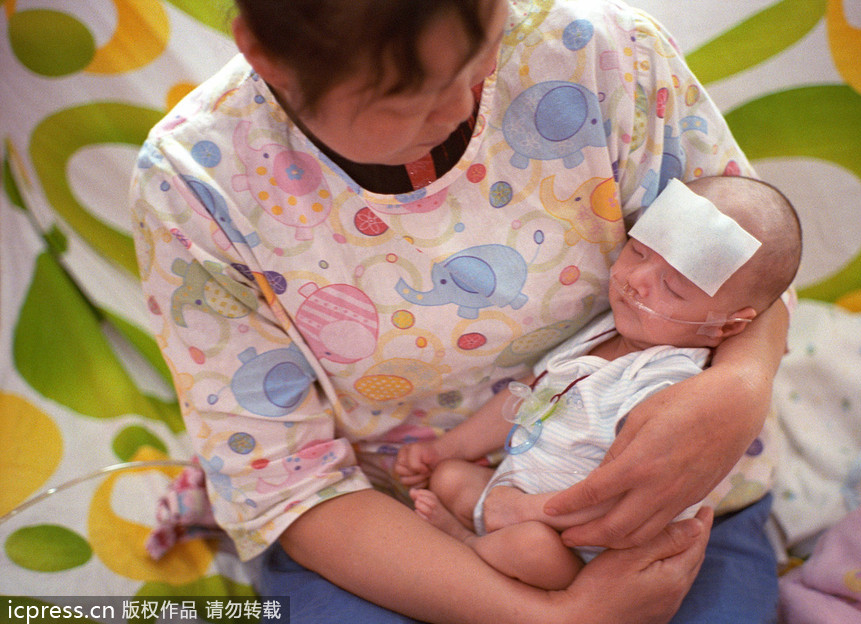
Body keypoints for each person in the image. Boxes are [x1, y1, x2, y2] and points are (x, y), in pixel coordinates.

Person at [129, 0, 793, 620]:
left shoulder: (604, 57)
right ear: (265, 58)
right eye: (410, 97)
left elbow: (751, 260)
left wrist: (741, 384)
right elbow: (288, 486)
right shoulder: (197, 186)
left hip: (675, 505)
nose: (465, 105)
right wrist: (556, 616)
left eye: (483, 53)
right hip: (392, 525)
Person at [396, 175, 802, 594]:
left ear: (726, 325)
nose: (638, 278)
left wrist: (527, 511)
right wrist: (446, 448)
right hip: (511, 494)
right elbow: (526, 398)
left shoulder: (669, 383)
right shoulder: (604, 333)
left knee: (529, 547)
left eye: (673, 287)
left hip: (574, 543)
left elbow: (618, 496)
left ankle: (465, 542)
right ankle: (484, 534)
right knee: (447, 476)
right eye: (639, 249)